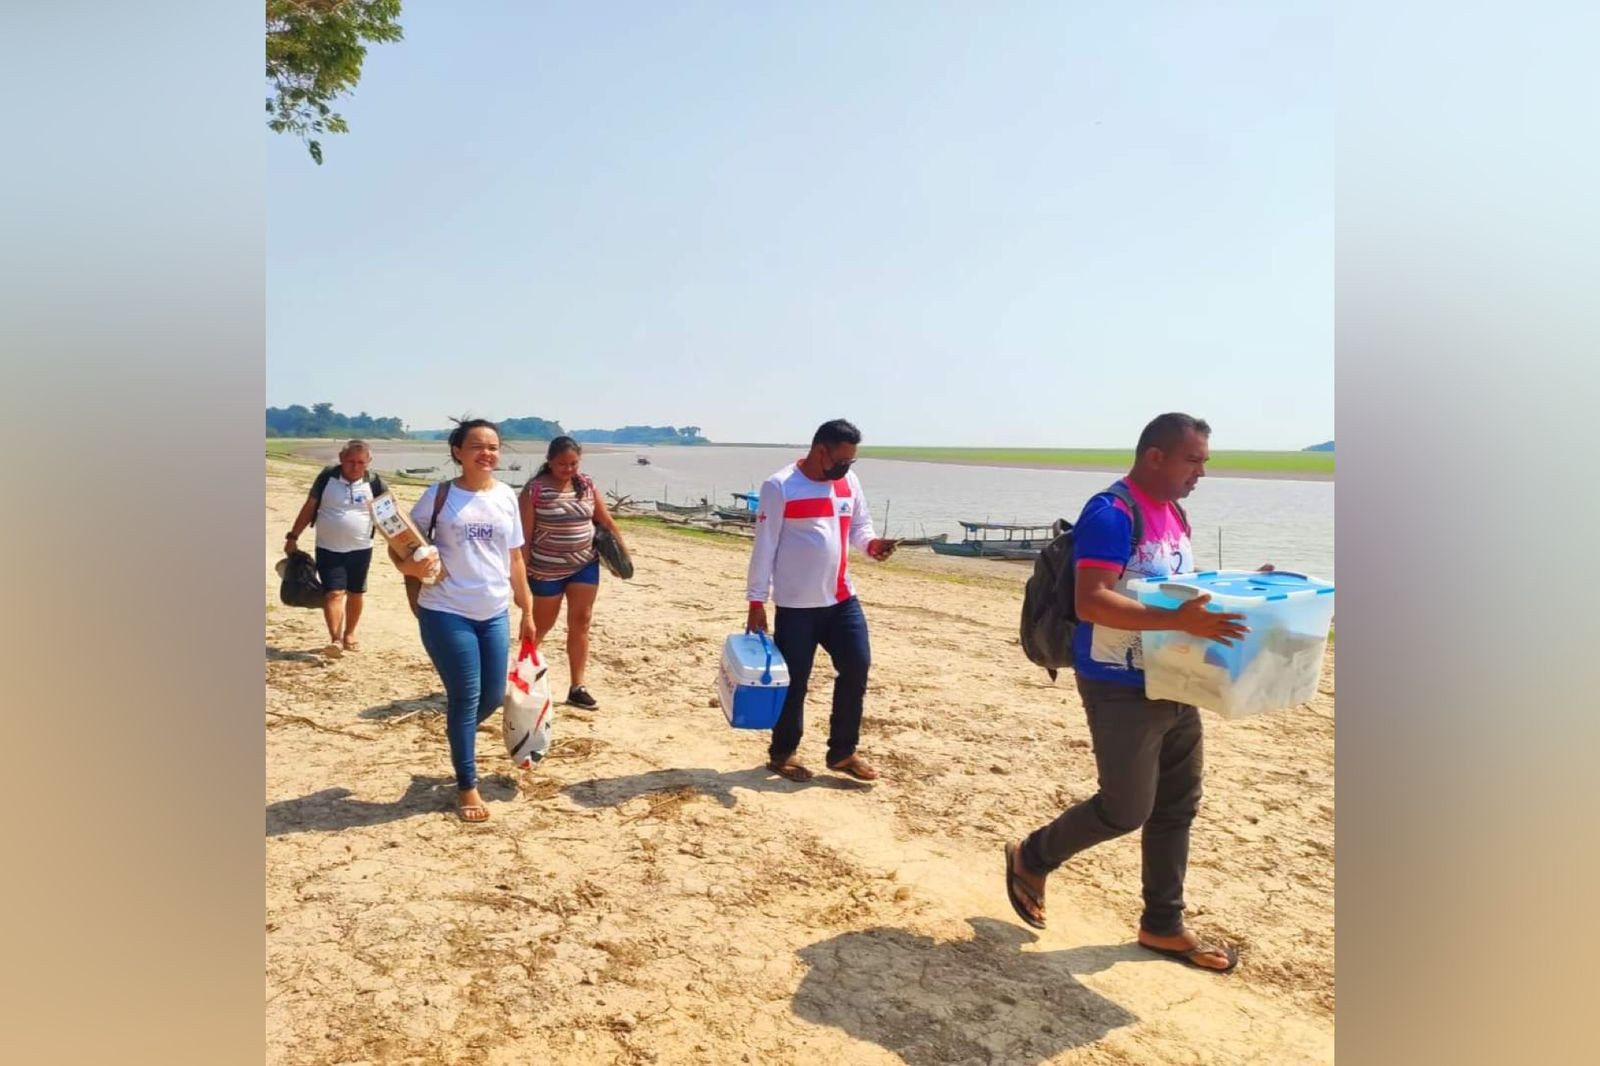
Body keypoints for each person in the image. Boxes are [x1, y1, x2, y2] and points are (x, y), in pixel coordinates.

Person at [1003, 412, 1266, 974]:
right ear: (1155, 457)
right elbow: (1091, 601)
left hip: (1174, 675)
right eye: (1192, 460)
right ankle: (1033, 856)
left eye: (1204, 461)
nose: (1201, 472)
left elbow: (1175, 587)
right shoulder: (1110, 513)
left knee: (1177, 805)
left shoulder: (1173, 513)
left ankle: (1162, 924)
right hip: (1117, 683)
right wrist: (1179, 620)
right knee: (1126, 808)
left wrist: (1244, 587)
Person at [392, 419, 536, 823]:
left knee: (491, 696)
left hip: (494, 612)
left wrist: (527, 610)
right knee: (465, 697)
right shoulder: (438, 497)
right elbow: (400, 548)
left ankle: (459, 733)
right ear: (457, 451)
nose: (486, 453)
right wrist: (413, 570)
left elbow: (515, 559)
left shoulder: (507, 496)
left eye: (493, 446)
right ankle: (466, 785)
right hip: (445, 610)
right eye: (477, 446)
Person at [744, 419, 897, 782]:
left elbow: (860, 526)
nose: (846, 467)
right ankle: (783, 754)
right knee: (795, 682)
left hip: (842, 598)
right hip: (797, 605)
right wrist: (755, 601)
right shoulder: (780, 486)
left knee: (857, 668)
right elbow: (764, 546)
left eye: (852, 461)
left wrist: (872, 546)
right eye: (842, 460)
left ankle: (842, 752)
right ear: (820, 451)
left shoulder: (847, 482)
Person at [518, 436, 627, 710]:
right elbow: (525, 538)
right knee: (541, 626)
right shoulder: (534, 490)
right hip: (545, 569)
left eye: (573, 463)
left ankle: (578, 686)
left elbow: (606, 522)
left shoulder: (586, 484)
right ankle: (522, 679)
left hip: (584, 565)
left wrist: (622, 559)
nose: (568, 469)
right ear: (550, 461)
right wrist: (522, 574)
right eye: (562, 464)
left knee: (581, 621)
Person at [283, 440, 388, 657]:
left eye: (361, 462)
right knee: (334, 593)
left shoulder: (375, 482)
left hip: (361, 548)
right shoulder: (327, 478)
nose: (355, 466)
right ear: (341, 459)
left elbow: (390, 515)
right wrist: (293, 536)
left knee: (356, 593)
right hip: (328, 548)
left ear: (368, 462)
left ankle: (350, 634)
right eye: (350, 461)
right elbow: (309, 507)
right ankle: (336, 639)